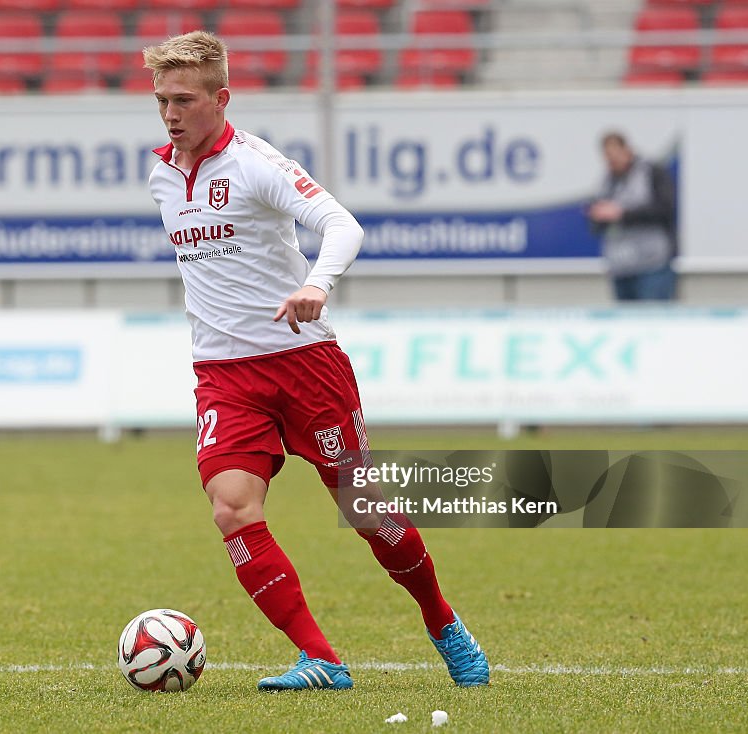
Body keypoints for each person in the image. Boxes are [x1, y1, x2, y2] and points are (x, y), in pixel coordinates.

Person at [143, 30, 489, 692]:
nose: (169, 113)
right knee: (231, 509)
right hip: (223, 373)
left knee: (365, 509)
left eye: (183, 99)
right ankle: (321, 659)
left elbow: (343, 226)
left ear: (221, 99)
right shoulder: (160, 171)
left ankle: (444, 624)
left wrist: (315, 286)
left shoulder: (256, 164)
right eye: (161, 99)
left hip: (302, 360)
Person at [588, 132, 678, 301]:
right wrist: (597, 216)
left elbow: (666, 208)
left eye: (615, 155)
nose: (612, 161)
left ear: (627, 150)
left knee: (652, 320)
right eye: (608, 157)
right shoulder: (605, 183)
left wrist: (622, 213)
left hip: (652, 265)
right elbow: (595, 223)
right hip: (620, 266)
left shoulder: (651, 173)